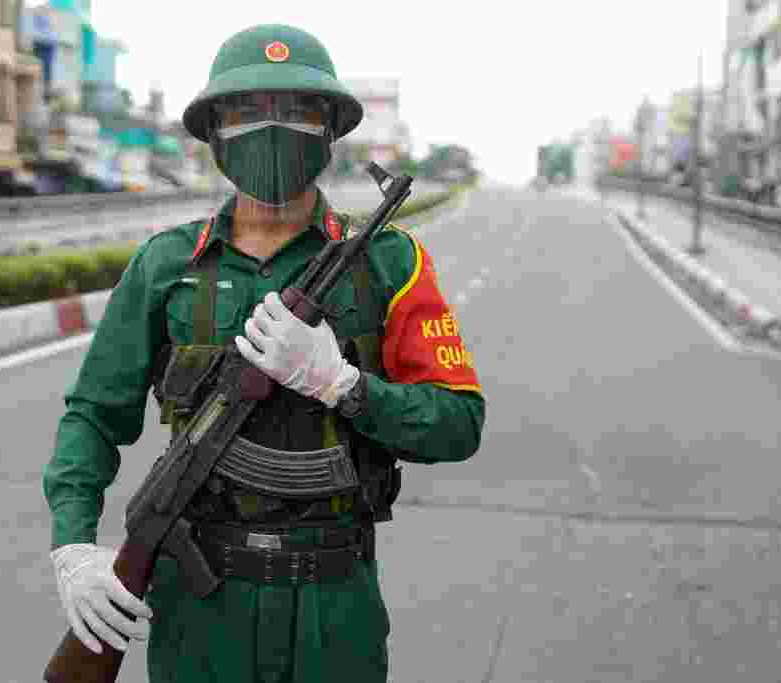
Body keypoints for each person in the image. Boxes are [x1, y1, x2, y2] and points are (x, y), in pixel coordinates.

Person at [43, 23, 485, 683]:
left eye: (298, 108)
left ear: (331, 128)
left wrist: (342, 383)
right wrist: (74, 546)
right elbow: (94, 415)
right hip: (199, 610)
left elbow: (458, 424)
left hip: (336, 610)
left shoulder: (390, 263)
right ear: (216, 131)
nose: (272, 126)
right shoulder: (167, 264)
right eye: (247, 110)